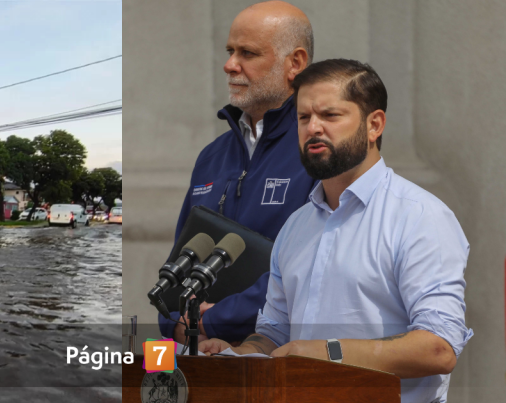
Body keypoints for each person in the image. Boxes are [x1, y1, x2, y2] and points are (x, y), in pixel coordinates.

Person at [199, 59, 472, 403]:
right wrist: (238, 353)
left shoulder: (420, 217)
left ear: (374, 125)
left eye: (330, 116)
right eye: (303, 117)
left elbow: (438, 348)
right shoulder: (296, 226)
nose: (313, 128)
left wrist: (327, 352)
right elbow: (274, 333)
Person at [159, 1, 318, 345]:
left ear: (296, 63)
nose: (229, 65)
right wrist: (172, 319)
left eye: (247, 53)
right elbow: (181, 253)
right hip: (197, 349)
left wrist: (215, 321)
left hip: (275, 359)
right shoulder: (211, 155)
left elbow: (312, 265)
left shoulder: (319, 151)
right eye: (230, 51)